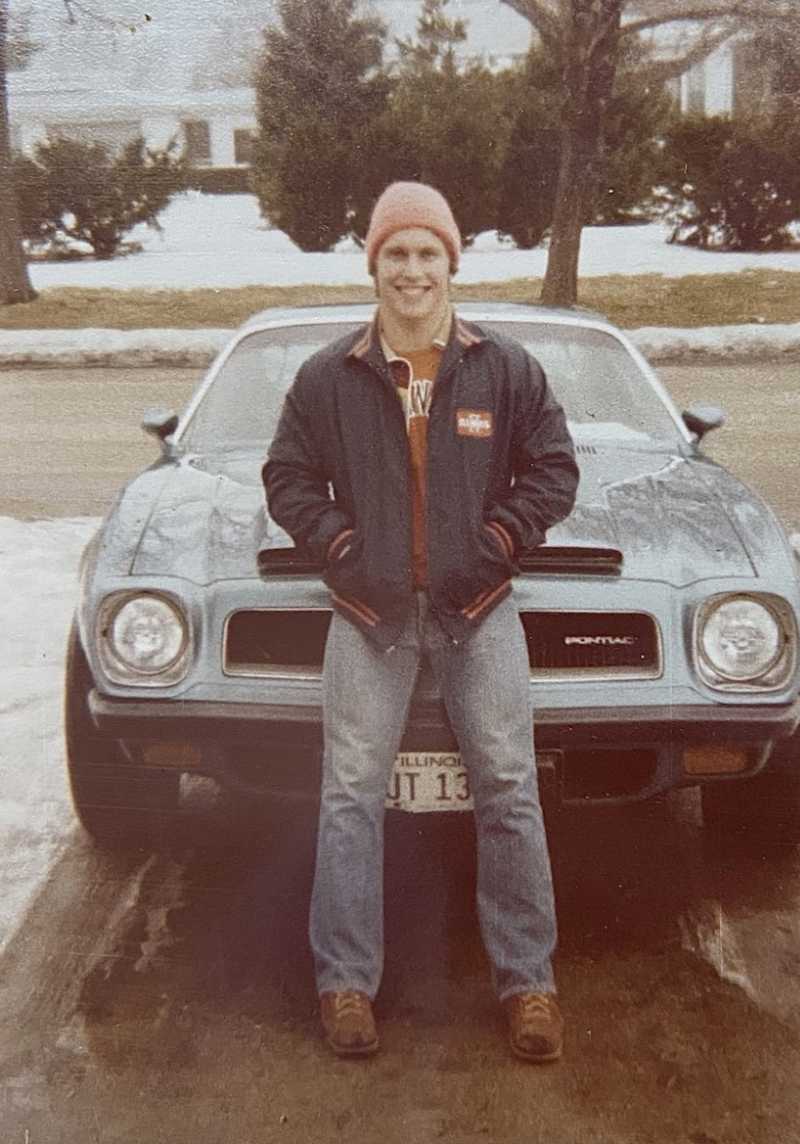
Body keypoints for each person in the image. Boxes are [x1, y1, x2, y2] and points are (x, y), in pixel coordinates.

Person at [262, 182, 579, 1062]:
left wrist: (499, 539)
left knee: (510, 788)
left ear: (451, 263)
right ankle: (346, 984)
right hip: (370, 617)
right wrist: (340, 547)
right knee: (349, 795)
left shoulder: (503, 368)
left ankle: (529, 986)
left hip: (477, 613)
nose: (411, 270)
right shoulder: (329, 376)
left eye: (426, 253)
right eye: (395, 254)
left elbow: (553, 470)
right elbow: (286, 477)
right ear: (374, 264)